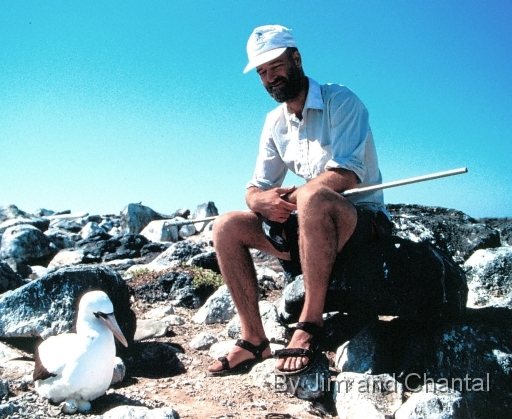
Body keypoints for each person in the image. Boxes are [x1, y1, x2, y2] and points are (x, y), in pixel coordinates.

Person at [207, 24, 395, 376]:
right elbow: (256, 186)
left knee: (312, 196)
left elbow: (347, 175)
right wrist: (259, 202)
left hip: (362, 223)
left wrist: (296, 195)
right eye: (262, 72)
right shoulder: (273, 122)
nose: (269, 78)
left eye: (275, 66)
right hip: (313, 223)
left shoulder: (342, 102)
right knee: (226, 225)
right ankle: (254, 340)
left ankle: (309, 324)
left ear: (296, 58)